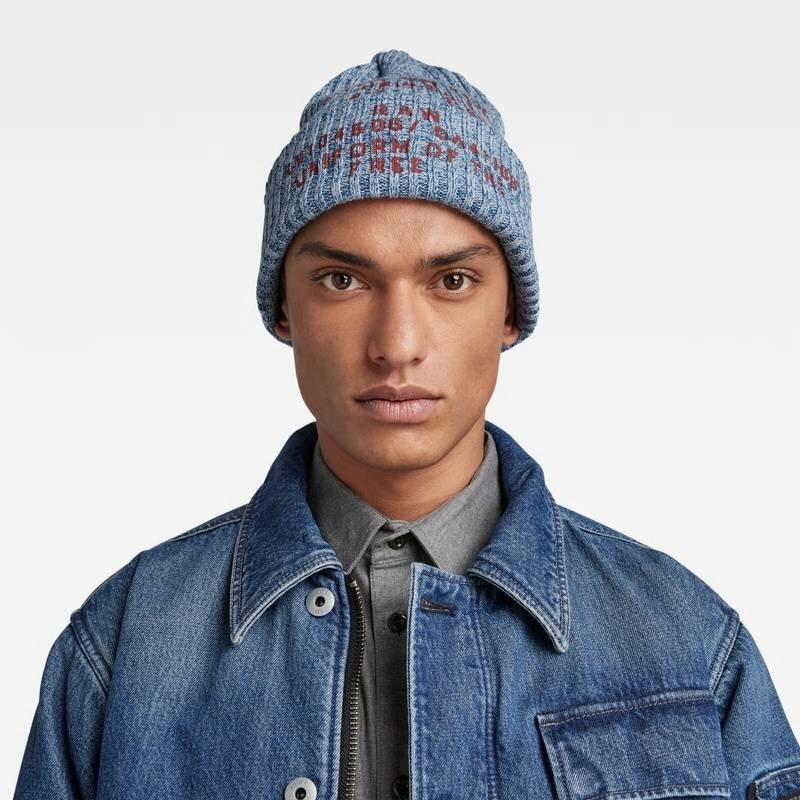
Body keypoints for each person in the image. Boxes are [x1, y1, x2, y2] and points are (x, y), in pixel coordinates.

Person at [14, 49, 799, 800]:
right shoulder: (128, 644)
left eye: (452, 280)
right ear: (284, 309)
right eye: (342, 279)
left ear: (511, 313)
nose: (396, 346)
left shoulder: (684, 639)